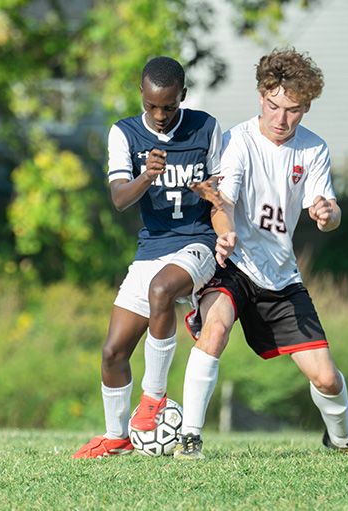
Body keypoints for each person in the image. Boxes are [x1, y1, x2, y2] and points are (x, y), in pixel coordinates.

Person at [174, 48, 348, 459]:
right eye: (274, 106)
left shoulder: (314, 150)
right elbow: (221, 203)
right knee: (216, 329)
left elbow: (328, 215)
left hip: (281, 278)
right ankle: (190, 438)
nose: (281, 119)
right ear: (261, 96)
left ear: (306, 107)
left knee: (328, 379)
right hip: (234, 266)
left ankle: (343, 439)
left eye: (293, 110)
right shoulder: (238, 142)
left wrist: (327, 213)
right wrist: (224, 236)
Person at [72, 56, 237, 459]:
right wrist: (146, 175)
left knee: (162, 289)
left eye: (169, 106)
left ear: (183, 95)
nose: (160, 115)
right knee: (112, 352)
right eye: (151, 106)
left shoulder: (205, 128)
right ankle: (116, 438)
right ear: (141, 96)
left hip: (197, 243)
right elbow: (118, 200)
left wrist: (219, 215)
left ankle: (154, 399)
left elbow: (220, 196)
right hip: (151, 247)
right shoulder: (124, 133)